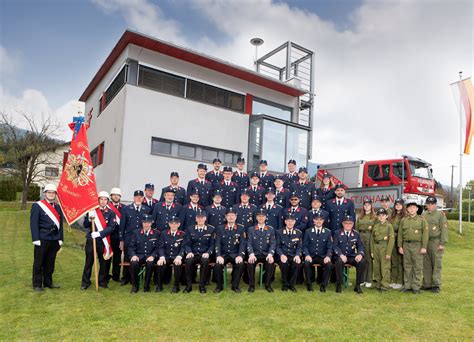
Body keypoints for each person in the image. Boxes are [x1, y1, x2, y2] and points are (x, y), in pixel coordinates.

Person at [30, 184, 64, 292]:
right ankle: (37, 284)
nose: (51, 194)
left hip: (54, 238)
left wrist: (60, 238)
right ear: (45, 194)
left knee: (50, 262)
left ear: (55, 195)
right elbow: (33, 223)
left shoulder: (58, 207)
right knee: (39, 262)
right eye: (49, 192)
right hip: (42, 237)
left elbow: (60, 224)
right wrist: (36, 239)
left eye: (53, 193)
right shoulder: (38, 206)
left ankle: (48, 283)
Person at [81, 191, 116, 290]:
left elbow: (111, 227)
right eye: (101, 199)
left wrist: (100, 234)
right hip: (91, 239)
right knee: (89, 261)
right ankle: (85, 282)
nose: (103, 201)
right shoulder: (92, 211)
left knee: (103, 262)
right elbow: (85, 225)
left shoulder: (111, 213)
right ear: (98, 200)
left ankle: (102, 281)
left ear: (108, 201)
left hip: (103, 240)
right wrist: (89, 218)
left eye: (105, 199)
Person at [119, 190, 151, 285]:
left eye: (140, 197)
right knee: (127, 258)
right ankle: (125, 278)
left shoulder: (146, 209)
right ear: (133, 198)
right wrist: (121, 240)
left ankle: (135, 278)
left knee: (137, 258)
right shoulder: (126, 209)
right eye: (136, 197)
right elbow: (122, 226)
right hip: (129, 238)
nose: (138, 198)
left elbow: (148, 225)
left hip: (141, 239)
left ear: (142, 198)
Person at [398, 201, 428, 294]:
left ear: (417, 209)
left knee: (417, 266)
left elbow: (425, 234)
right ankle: (407, 286)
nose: (411, 209)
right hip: (406, 245)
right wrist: (400, 246)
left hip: (417, 245)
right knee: (407, 266)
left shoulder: (422, 220)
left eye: (413, 207)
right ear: (407, 209)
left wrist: (424, 247)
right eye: (410, 207)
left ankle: (416, 287)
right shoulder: (404, 220)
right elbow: (400, 234)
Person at [214, 208, 246, 293]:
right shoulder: (220, 228)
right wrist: (218, 255)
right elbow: (217, 243)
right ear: (226, 217)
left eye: (233, 215)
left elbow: (242, 244)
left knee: (240, 264)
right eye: (229, 215)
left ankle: (235, 286)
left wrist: (240, 255)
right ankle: (219, 286)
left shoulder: (241, 228)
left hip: (235, 254)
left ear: (236, 217)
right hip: (223, 254)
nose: (231, 217)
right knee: (217, 265)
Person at [183, 209, 216, 293]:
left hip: (204, 253)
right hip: (193, 253)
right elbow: (187, 244)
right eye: (199, 218)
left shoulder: (211, 229)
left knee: (205, 262)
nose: (200, 219)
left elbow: (212, 244)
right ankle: (188, 285)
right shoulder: (190, 229)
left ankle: (202, 285)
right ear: (196, 219)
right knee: (188, 261)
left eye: (202, 218)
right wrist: (189, 252)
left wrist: (208, 253)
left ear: (205, 219)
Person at [333, 215, 366, 294]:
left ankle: (357, 285)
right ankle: (339, 284)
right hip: (340, 256)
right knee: (339, 262)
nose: (348, 225)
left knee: (361, 262)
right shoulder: (337, 233)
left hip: (351, 256)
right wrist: (340, 255)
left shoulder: (356, 234)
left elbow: (360, 246)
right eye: (346, 223)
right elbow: (335, 246)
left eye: (350, 223)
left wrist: (360, 254)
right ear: (343, 224)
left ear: (353, 224)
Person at [422, 196, 448, 293]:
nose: (430, 206)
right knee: (426, 264)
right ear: (426, 205)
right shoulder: (423, 215)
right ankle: (427, 284)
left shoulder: (440, 215)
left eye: (432, 204)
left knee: (437, 264)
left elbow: (444, 229)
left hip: (436, 242)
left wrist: (442, 243)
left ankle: (436, 285)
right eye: (428, 204)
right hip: (426, 242)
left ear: (436, 205)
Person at [246, 208, 276, 292]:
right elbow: (249, 243)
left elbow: (273, 243)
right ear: (256, 218)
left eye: (263, 216)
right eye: (259, 216)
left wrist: (270, 254)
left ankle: (268, 285)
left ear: (266, 217)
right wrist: (251, 254)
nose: (261, 218)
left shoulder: (270, 229)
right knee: (250, 262)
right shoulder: (251, 229)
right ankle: (252, 285)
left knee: (270, 262)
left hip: (266, 254)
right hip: (255, 254)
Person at [303, 212, 333, 292]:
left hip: (322, 256)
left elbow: (330, 247)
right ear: (314, 221)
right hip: (311, 256)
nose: (318, 221)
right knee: (306, 263)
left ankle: (323, 284)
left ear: (323, 221)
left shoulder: (328, 232)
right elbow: (305, 246)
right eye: (317, 219)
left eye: (320, 220)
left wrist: (328, 256)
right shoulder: (308, 231)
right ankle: (309, 284)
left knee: (329, 265)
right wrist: (307, 255)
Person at [128, 214, 159, 293]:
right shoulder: (136, 232)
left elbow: (158, 248)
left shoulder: (156, 233)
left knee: (150, 263)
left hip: (150, 256)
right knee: (133, 263)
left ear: (151, 223)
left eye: (148, 222)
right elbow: (131, 246)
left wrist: (153, 256)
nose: (146, 224)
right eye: (144, 222)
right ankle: (135, 286)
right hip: (139, 255)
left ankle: (147, 285)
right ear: (142, 223)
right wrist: (133, 255)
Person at [156, 216, 185, 293]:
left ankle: (176, 286)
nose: (173, 225)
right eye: (172, 223)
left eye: (175, 224)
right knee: (160, 264)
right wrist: (161, 257)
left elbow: (183, 247)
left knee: (178, 264)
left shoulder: (182, 234)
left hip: (176, 256)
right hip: (166, 256)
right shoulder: (164, 233)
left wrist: (179, 256)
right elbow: (161, 247)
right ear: (169, 224)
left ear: (179, 225)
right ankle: (159, 285)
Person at [276, 213, 303, 292]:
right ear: (285, 222)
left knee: (297, 263)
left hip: (293, 255)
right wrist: (281, 255)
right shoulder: (279, 232)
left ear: (294, 222)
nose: (290, 223)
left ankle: (292, 284)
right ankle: (285, 284)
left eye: (292, 221)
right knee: (284, 263)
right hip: (282, 254)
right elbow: (277, 246)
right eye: (288, 221)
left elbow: (299, 247)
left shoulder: (299, 233)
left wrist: (297, 255)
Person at [370, 208, 395, 292]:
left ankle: (385, 285)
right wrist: (372, 251)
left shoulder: (389, 226)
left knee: (385, 267)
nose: (381, 217)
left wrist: (388, 253)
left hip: (384, 247)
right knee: (377, 267)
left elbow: (391, 240)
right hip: (376, 247)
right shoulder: (376, 226)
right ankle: (378, 283)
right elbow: (372, 239)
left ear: (386, 216)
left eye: (383, 215)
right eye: (379, 215)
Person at [356, 199, 376, 288]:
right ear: (363, 206)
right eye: (365, 205)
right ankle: (361, 279)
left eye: (368, 205)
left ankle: (368, 279)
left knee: (368, 260)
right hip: (360, 237)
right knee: (361, 259)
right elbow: (356, 230)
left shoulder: (374, 217)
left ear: (371, 206)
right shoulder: (360, 217)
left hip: (369, 237)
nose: (367, 206)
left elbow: (375, 230)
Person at [107, 187, 124, 282]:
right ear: (111, 196)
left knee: (117, 257)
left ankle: (116, 276)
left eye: (118, 195)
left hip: (118, 236)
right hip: (108, 236)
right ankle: (105, 275)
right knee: (107, 256)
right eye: (114, 195)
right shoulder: (107, 206)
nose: (116, 197)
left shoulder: (124, 208)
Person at [389, 198, 405, 289]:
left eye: (400, 204)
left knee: (400, 261)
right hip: (392, 239)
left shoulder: (404, 216)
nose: (398, 206)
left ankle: (400, 281)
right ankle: (394, 280)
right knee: (394, 261)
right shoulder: (392, 215)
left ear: (402, 206)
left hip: (400, 239)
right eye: (396, 204)